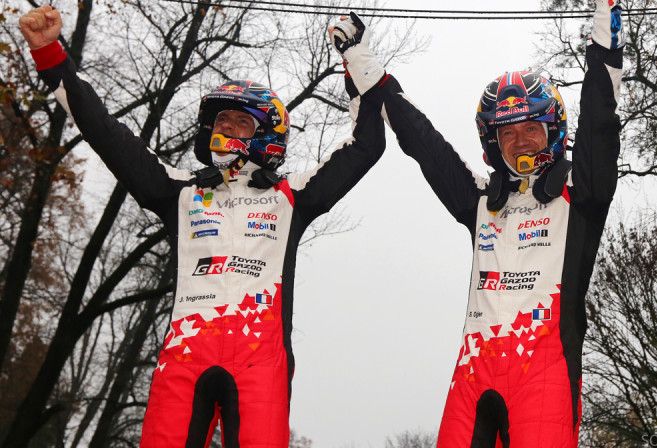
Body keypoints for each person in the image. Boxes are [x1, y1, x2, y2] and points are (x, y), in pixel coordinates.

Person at [20, 6, 386, 447]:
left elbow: (367, 145)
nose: (225, 128)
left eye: (240, 122)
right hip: (184, 359)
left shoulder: (292, 196)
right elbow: (103, 131)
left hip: (259, 366)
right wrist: (50, 55)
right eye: (220, 121)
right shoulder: (178, 191)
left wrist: (357, 58)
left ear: (266, 136)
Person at [331, 2, 624, 446]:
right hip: (474, 373)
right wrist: (359, 59)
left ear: (553, 130)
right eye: (507, 132)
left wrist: (607, 22)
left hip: (544, 374)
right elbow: (423, 142)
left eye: (530, 127)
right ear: (493, 142)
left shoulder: (580, 195)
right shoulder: (483, 201)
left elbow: (601, 122)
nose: (519, 139)